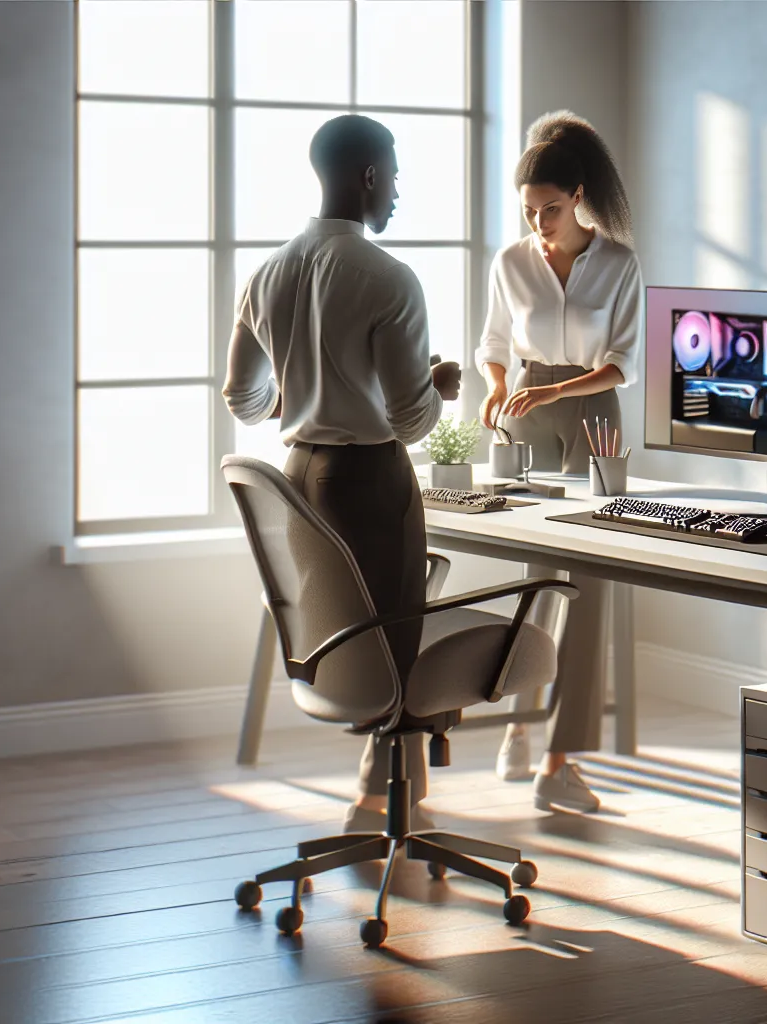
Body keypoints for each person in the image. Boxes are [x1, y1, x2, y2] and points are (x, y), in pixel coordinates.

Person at [223, 114, 462, 833]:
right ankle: (379, 803)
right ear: (367, 176)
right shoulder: (388, 278)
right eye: (393, 176)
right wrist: (438, 383)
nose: (396, 193)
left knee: (348, 632)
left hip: (301, 477)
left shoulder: (268, 274)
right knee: (391, 636)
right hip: (371, 480)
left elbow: (243, 397)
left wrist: (301, 396)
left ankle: (392, 792)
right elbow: (413, 419)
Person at [475, 111, 641, 813]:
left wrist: (553, 386)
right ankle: (519, 728)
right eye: (528, 212)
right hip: (527, 414)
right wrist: (497, 388)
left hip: (594, 415)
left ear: (578, 196)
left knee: (592, 581)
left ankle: (562, 759)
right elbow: (494, 342)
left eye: (549, 209)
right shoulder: (511, 263)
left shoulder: (620, 265)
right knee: (536, 581)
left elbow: (620, 365)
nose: (538, 223)